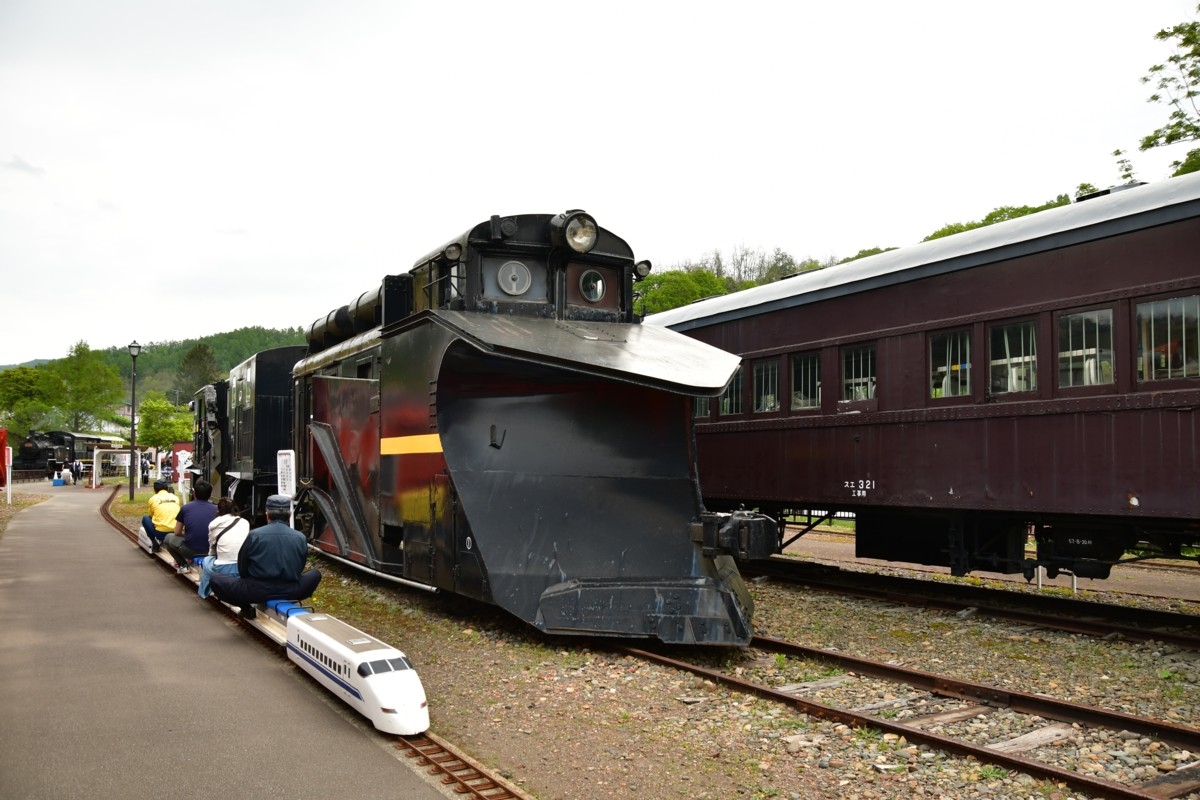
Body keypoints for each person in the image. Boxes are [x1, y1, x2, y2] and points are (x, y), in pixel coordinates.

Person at [208, 495, 321, 619]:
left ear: (267, 515)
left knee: (215, 579)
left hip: (256, 590)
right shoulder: (300, 537)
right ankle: (288, 601)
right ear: (289, 516)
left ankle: (246, 608)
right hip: (290, 590)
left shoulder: (254, 535)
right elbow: (299, 567)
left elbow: (242, 567)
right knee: (315, 574)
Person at [198, 497, 250, 599]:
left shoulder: (214, 524)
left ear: (218, 510)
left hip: (223, 569)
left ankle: (203, 593)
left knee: (208, 560)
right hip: (242, 567)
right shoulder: (245, 522)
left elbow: (212, 549)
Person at [164, 479, 218, 573]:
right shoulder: (217, 509)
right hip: (211, 551)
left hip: (190, 551)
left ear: (194, 493)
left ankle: (183, 565)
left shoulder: (186, 508)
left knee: (168, 538)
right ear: (210, 495)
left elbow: (177, 531)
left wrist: (188, 535)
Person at [141, 479, 180, 552]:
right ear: (167, 488)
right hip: (176, 532)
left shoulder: (153, 499)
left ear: (155, 490)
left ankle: (155, 543)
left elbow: (151, 516)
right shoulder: (175, 498)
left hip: (161, 534)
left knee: (145, 518)